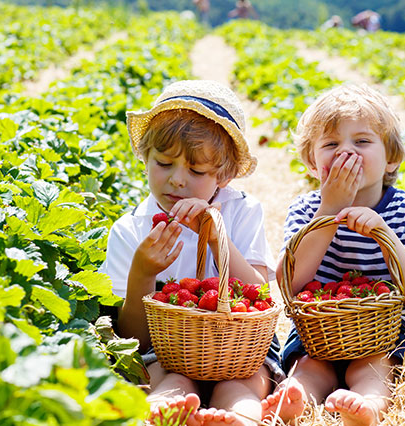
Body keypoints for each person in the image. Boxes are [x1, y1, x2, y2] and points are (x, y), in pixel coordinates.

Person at [99, 80, 282, 426]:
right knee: (171, 381)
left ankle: (241, 417)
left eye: (196, 170)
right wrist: (142, 273)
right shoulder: (132, 230)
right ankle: (160, 413)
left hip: (239, 350)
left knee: (243, 384)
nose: (177, 181)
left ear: (224, 175)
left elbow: (260, 297)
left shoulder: (241, 212)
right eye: (164, 164)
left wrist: (217, 239)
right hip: (165, 353)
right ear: (145, 158)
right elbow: (133, 339)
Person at [260, 84, 405, 426]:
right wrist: (329, 209)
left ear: (392, 157)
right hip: (321, 330)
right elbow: (287, 284)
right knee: (311, 365)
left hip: (386, 329)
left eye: (362, 141)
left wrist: (385, 234)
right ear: (313, 163)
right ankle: (297, 397)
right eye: (330, 145)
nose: (346, 153)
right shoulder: (307, 209)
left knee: (373, 365)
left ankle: (368, 403)